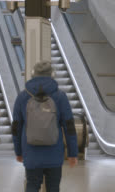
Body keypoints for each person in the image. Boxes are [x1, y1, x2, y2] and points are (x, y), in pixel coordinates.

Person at [12, 61, 78, 192]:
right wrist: (73, 153)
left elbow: (16, 127)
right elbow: (69, 126)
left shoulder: (23, 96)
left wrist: (18, 151)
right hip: (54, 153)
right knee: (53, 187)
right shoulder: (60, 96)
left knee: (32, 185)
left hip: (31, 152)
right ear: (52, 75)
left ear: (33, 75)